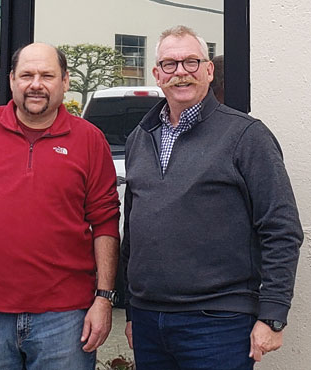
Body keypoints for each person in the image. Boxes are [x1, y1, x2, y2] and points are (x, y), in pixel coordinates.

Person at [0, 42, 120, 370]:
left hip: (66, 319)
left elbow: (105, 221)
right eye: (26, 75)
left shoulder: (89, 140)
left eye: (47, 75)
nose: (36, 84)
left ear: (65, 81)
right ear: (12, 80)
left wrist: (104, 298)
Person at [121, 25, 303, 370]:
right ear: (157, 75)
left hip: (218, 323)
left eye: (191, 62)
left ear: (208, 70)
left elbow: (281, 230)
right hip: (148, 321)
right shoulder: (140, 138)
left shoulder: (246, 136)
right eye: (170, 65)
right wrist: (131, 309)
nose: (181, 73)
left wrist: (273, 315)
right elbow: (133, 231)